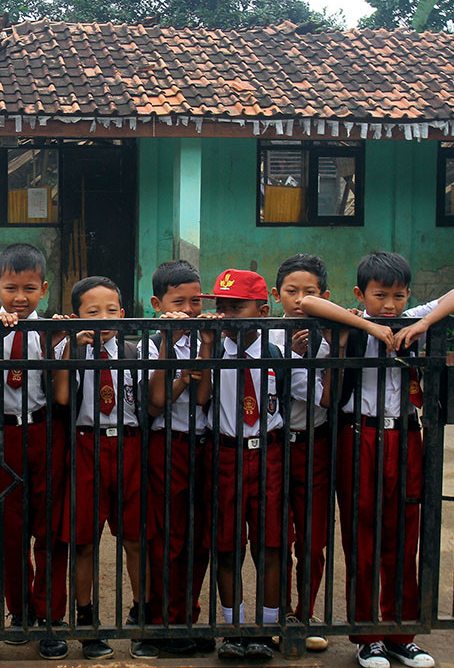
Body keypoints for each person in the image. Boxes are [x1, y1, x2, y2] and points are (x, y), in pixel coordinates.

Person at [301, 251, 454, 668]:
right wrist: (369, 326)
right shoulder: (352, 320)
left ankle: (402, 633)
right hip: (357, 434)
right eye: (380, 296)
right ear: (362, 294)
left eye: (398, 297)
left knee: (405, 533)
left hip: (406, 435)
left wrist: (423, 323)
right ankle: (368, 636)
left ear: (408, 295)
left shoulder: (411, 317)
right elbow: (310, 304)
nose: (390, 306)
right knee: (361, 533)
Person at [0, 243, 68, 661]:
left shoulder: (49, 331)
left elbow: (59, 390)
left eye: (28, 288)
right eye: (10, 288)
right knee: (11, 527)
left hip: (42, 432)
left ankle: (48, 616)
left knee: (49, 525)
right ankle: (20, 610)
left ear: (44, 288)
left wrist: (62, 338)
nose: (19, 298)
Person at [52, 276, 160, 660]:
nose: (103, 317)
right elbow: (63, 396)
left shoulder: (135, 352)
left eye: (111, 310)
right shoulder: (72, 351)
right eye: (92, 311)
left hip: (129, 447)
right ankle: (86, 621)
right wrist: (71, 349)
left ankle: (143, 615)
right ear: (76, 315)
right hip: (86, 445)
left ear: (123, 312)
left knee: (136, 538)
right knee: (83, 542)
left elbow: (151, 405)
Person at [195, 269, 285, 662]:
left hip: (267, 453)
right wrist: (208, 347)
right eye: (222, 306)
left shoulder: (277, 353)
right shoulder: (215, 350)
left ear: (262, 310)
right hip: (226, 453)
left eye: (238, 307)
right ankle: (234, 627)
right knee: (227, 546)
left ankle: (266, 628)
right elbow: (200, 399)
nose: (228, 314)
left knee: (270, 544)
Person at [145, 260, 215, 655]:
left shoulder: (208, 339)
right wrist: (174, 356)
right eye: (179, 301)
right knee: (167, 535)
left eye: (195, 300)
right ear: (158, 303)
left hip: (203, 442)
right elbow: (156, 405)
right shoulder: (152, 343)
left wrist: (204, 345)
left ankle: (187, 612)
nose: (189, 309)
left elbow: (203, 398)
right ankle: (162, 621)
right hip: (166, 444)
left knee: (198, 536)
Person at [269, 254, 337, 653]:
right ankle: (278, 615)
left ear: (324, 296)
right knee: (276, 536)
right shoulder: (269, 337)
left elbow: (328, 399)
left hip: (315, 443)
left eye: (309, 292)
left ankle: (306, 613)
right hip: (276, 446)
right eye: (291, 292)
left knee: (311, 538)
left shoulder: (334, 334)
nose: (299, 300)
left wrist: (318, 354)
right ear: (276, 296)